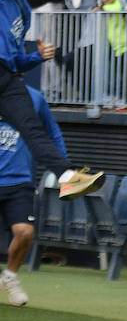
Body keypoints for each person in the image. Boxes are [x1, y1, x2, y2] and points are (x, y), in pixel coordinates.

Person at [0, 0, 101, 199]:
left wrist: (36, 57)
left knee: (31, 126)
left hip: (6, 76)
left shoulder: (24, 12)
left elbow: (15, 57)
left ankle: (67, 176)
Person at [0, 87, 67, 306]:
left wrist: (64, 171)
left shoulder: (34, 98)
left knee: (25, 232)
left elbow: (53, 133)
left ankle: (10, 278)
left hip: (20, 179)